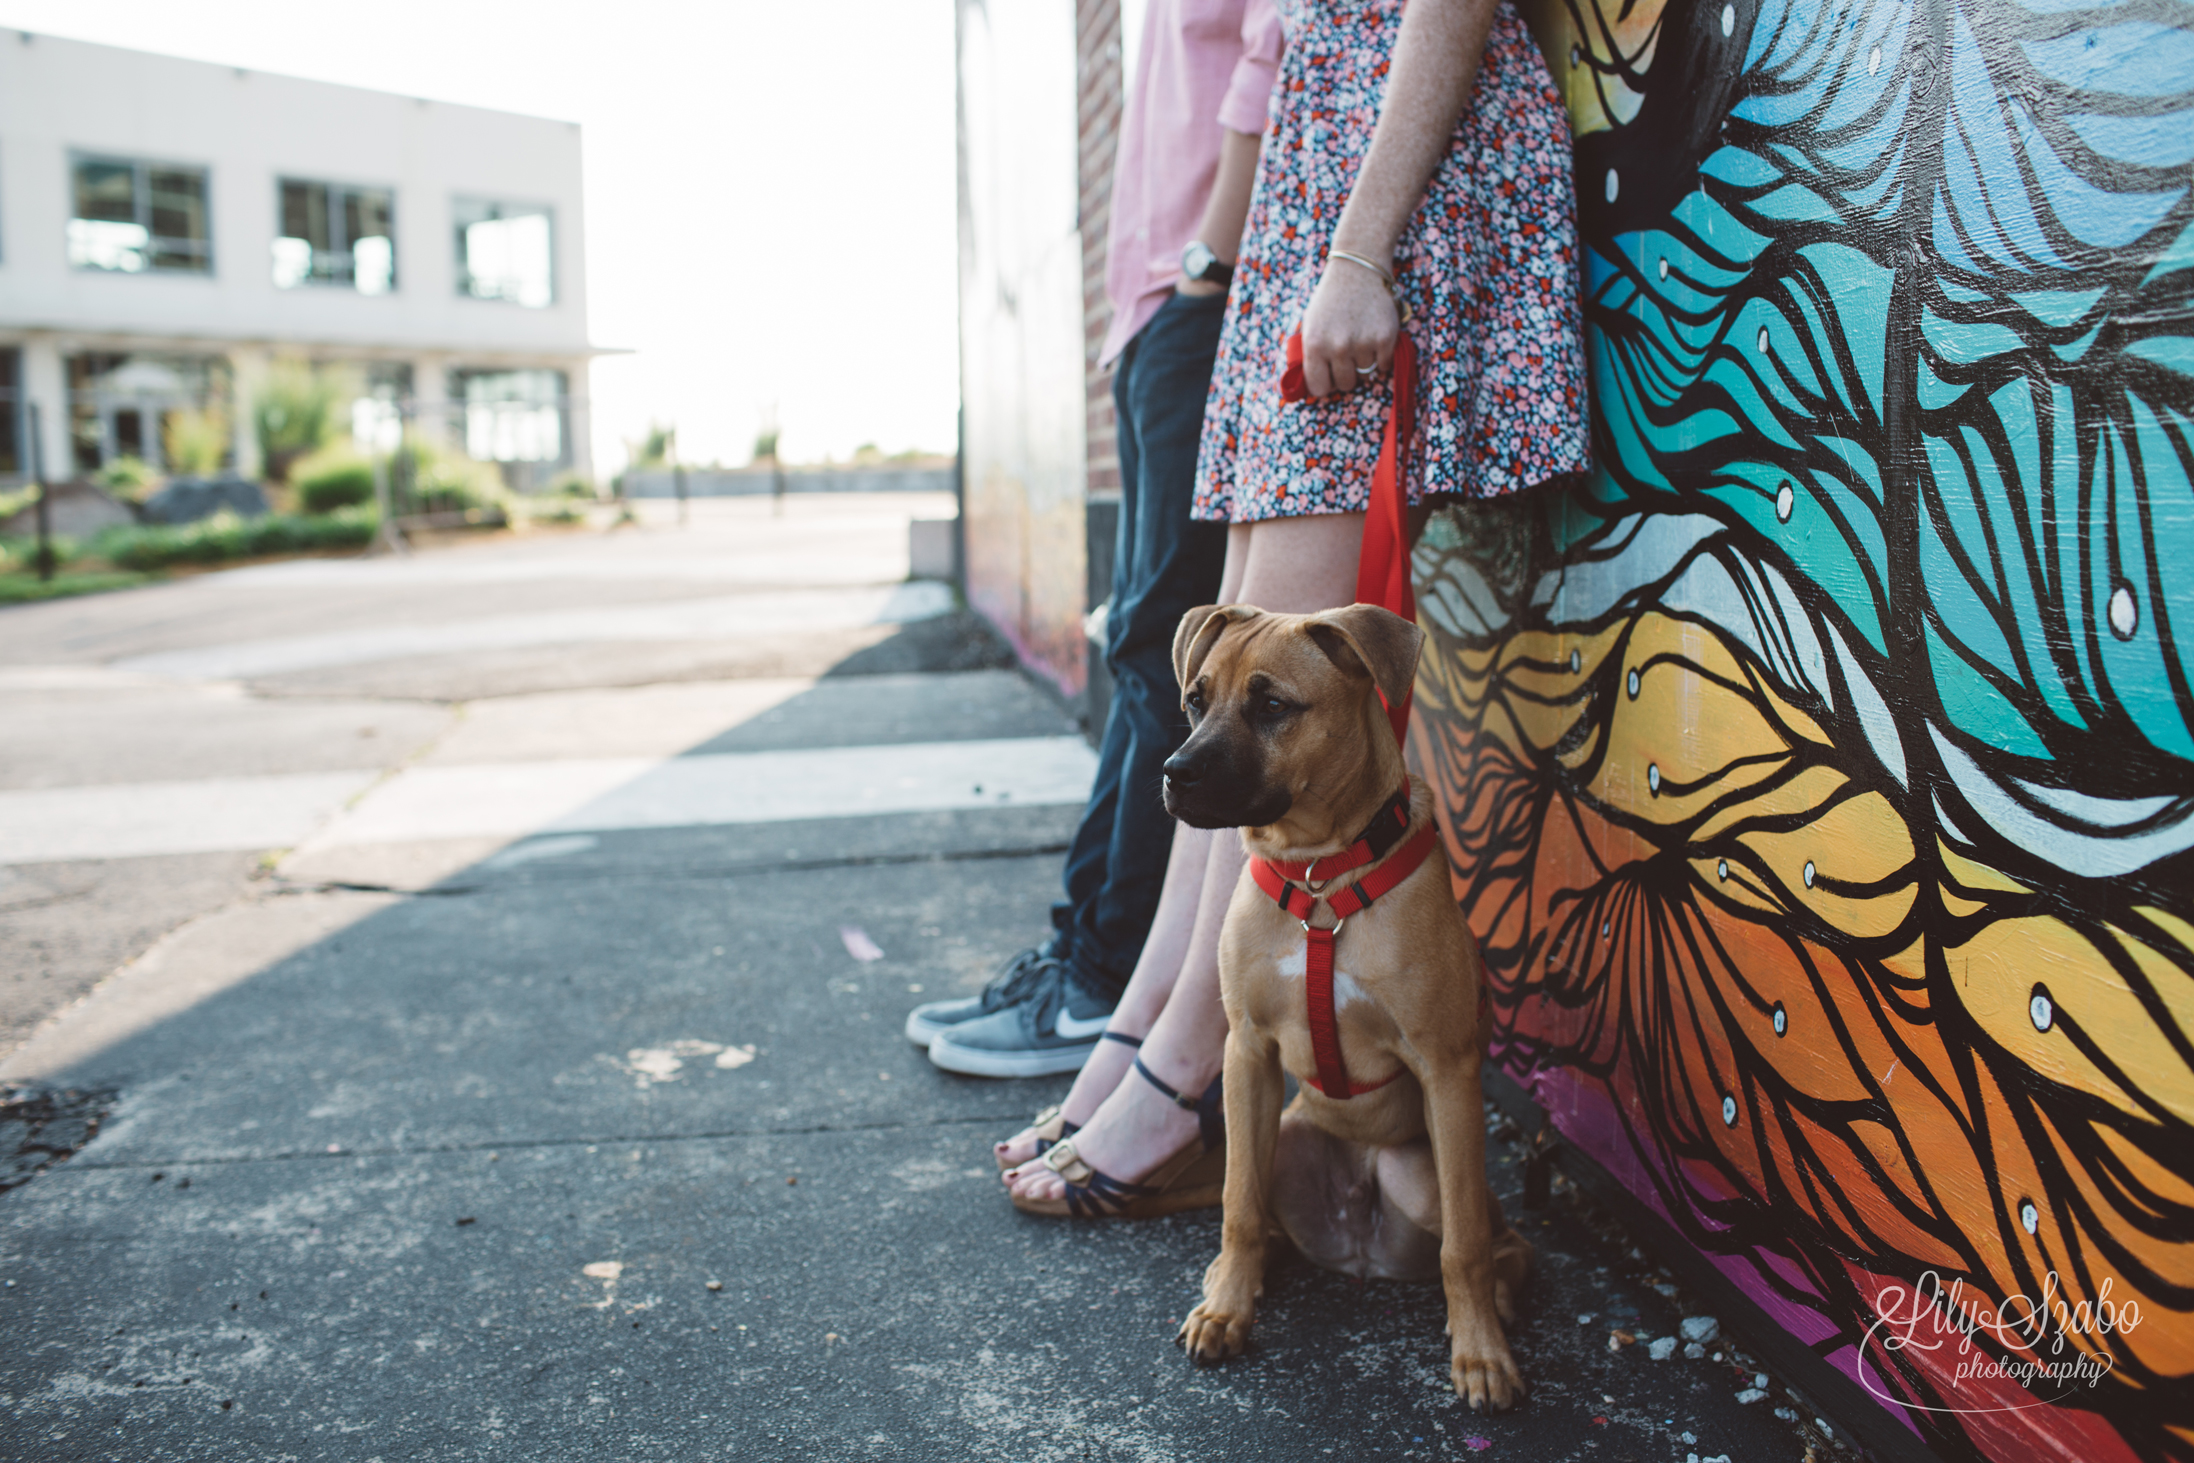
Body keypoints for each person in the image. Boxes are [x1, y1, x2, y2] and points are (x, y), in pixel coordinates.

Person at [1001, 0, 1588, 1213]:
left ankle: (1187, 1080)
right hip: (1321, 193)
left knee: (1261, 685)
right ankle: (1148, 1027)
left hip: (1377, 185)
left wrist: (1362, 253)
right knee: (1226, 664)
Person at [906, 0, 1285, 1079]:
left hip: (1203, 295)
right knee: (1139, 644)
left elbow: (1277, 44)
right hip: (1157, 313)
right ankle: (1088, 949)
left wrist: (1209, 261)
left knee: (1169, 653)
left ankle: (1111, 975)